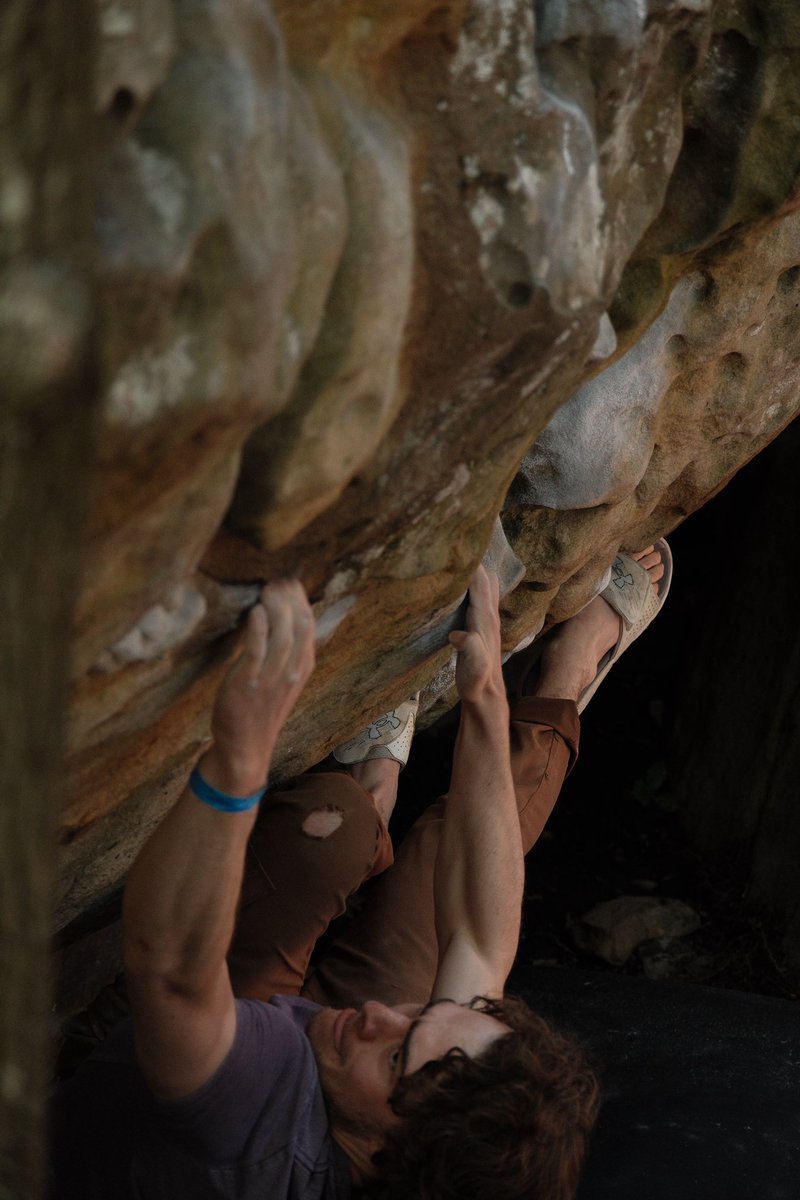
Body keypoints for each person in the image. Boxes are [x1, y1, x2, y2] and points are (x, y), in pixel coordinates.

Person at [52, 544, 669, 1200]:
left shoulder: (256, 1128)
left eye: (398, 1057)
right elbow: (480, 939)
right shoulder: (430, 1110)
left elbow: (172, 972)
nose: (379, 1014)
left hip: (167, 1041)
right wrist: (484, 696)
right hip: (304, 1065)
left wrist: (239, 759)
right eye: (419, 1018)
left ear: (383, 1158)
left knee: (330, 829)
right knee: (441, 889)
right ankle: (557, 689)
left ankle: (373, 792)